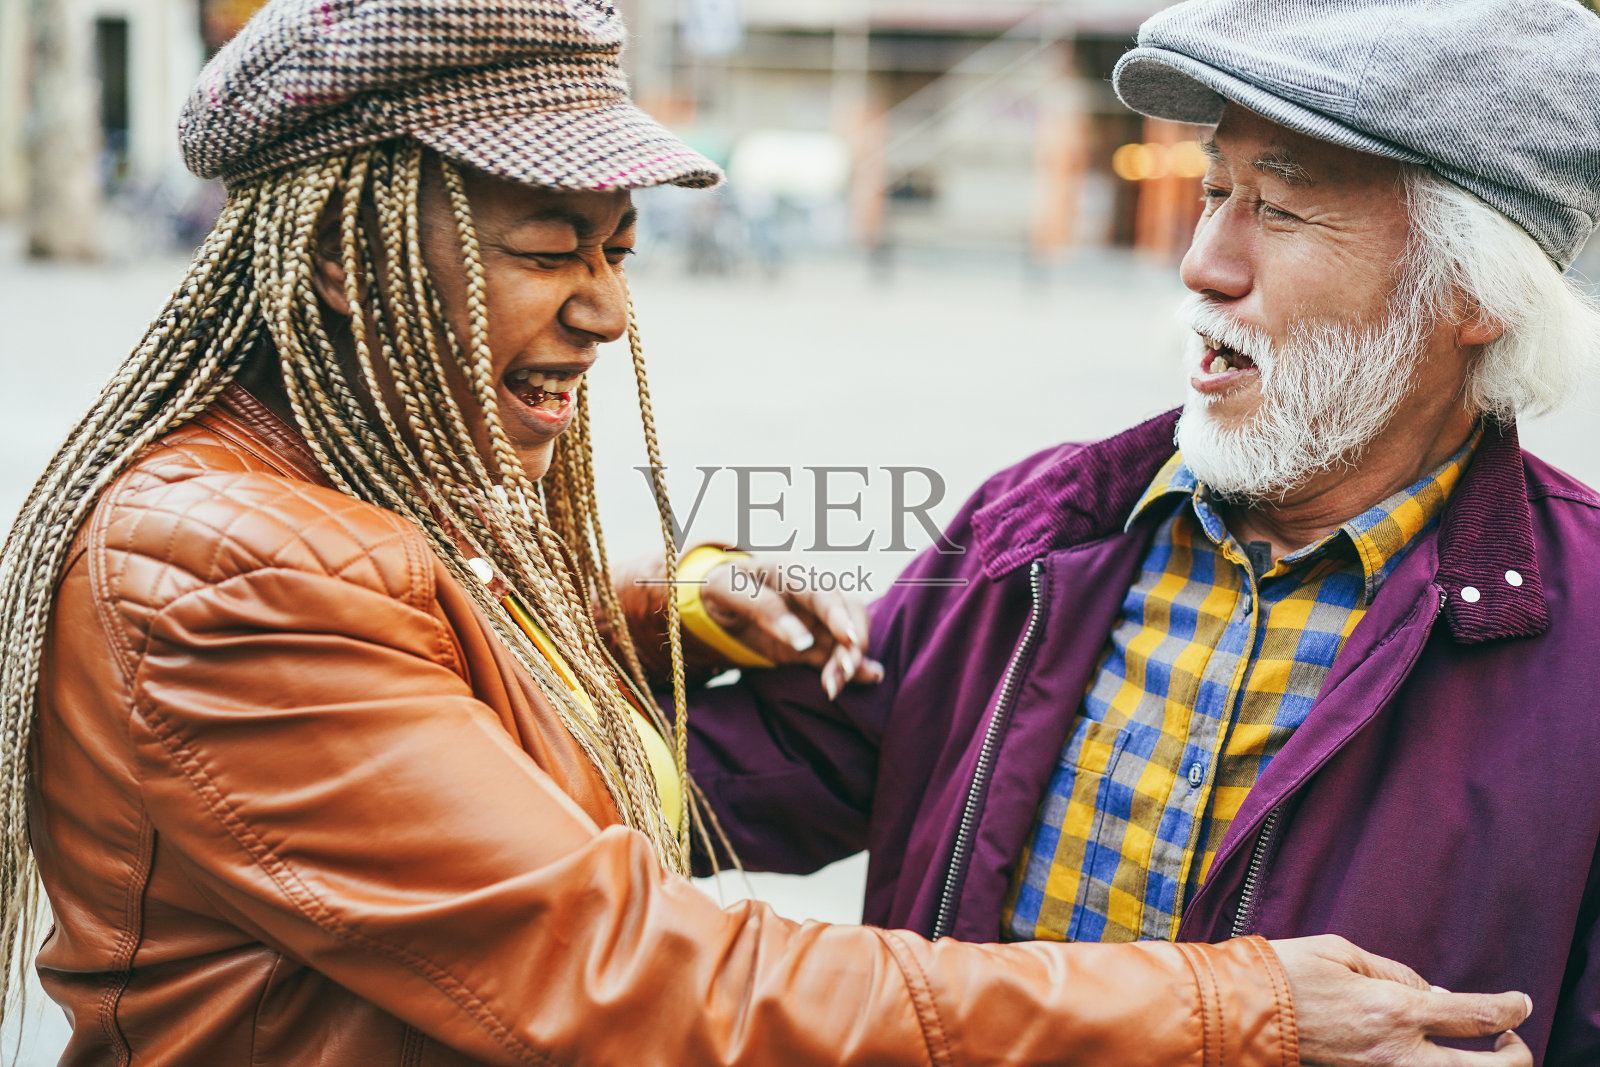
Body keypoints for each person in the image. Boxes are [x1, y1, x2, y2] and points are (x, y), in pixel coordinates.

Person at [0, 0, 1535, 1063]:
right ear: (348, 262)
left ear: (1478, 297)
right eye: (550, 248)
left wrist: (622, 629)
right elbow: (631, 976)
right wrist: (1239, 1012)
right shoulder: (217, 559)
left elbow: (457, 710)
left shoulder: (344, 511)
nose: (607, 311)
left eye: (618, 247)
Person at [627, 1, 1600, 1064]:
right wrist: (624, 611)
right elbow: (718, 782)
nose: (1203, 266)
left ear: (1470, 292)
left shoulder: (1582, 636)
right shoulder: (1037, 527)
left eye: (1278, 210)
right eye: (1213, 191)